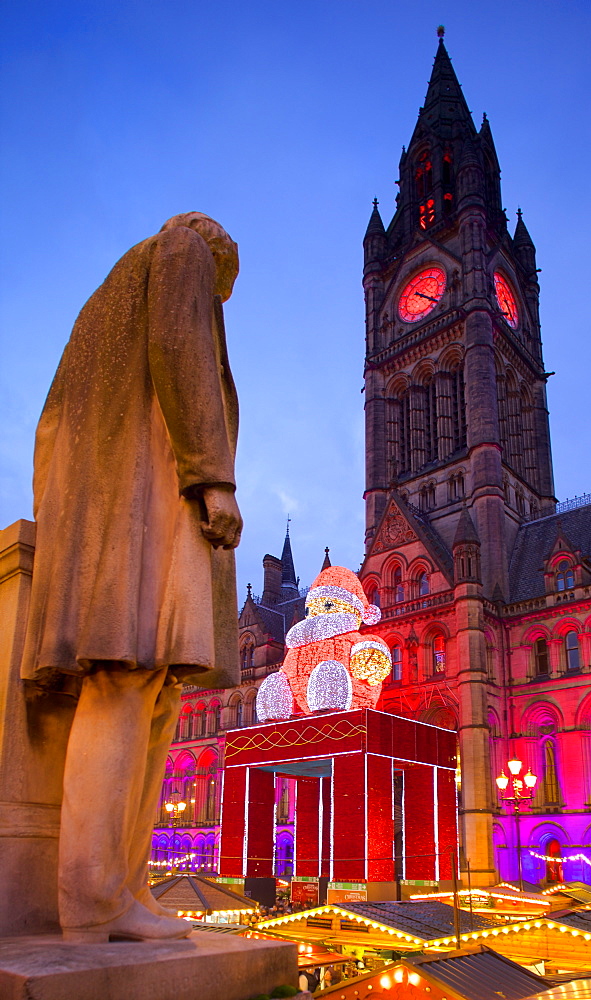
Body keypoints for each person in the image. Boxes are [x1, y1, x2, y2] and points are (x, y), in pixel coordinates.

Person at [20, 212, 242, 943]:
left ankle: (123, 890)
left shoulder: (100, 305)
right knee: (129, 682)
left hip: (100, 514)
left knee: (145, 692)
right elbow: (182, 352)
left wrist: (65, 522)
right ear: (214, 253)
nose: (221, 295)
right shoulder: (180, 254)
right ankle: (97, 897)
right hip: (148, 504)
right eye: (224, 283)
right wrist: (213, 477)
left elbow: (49, 426)